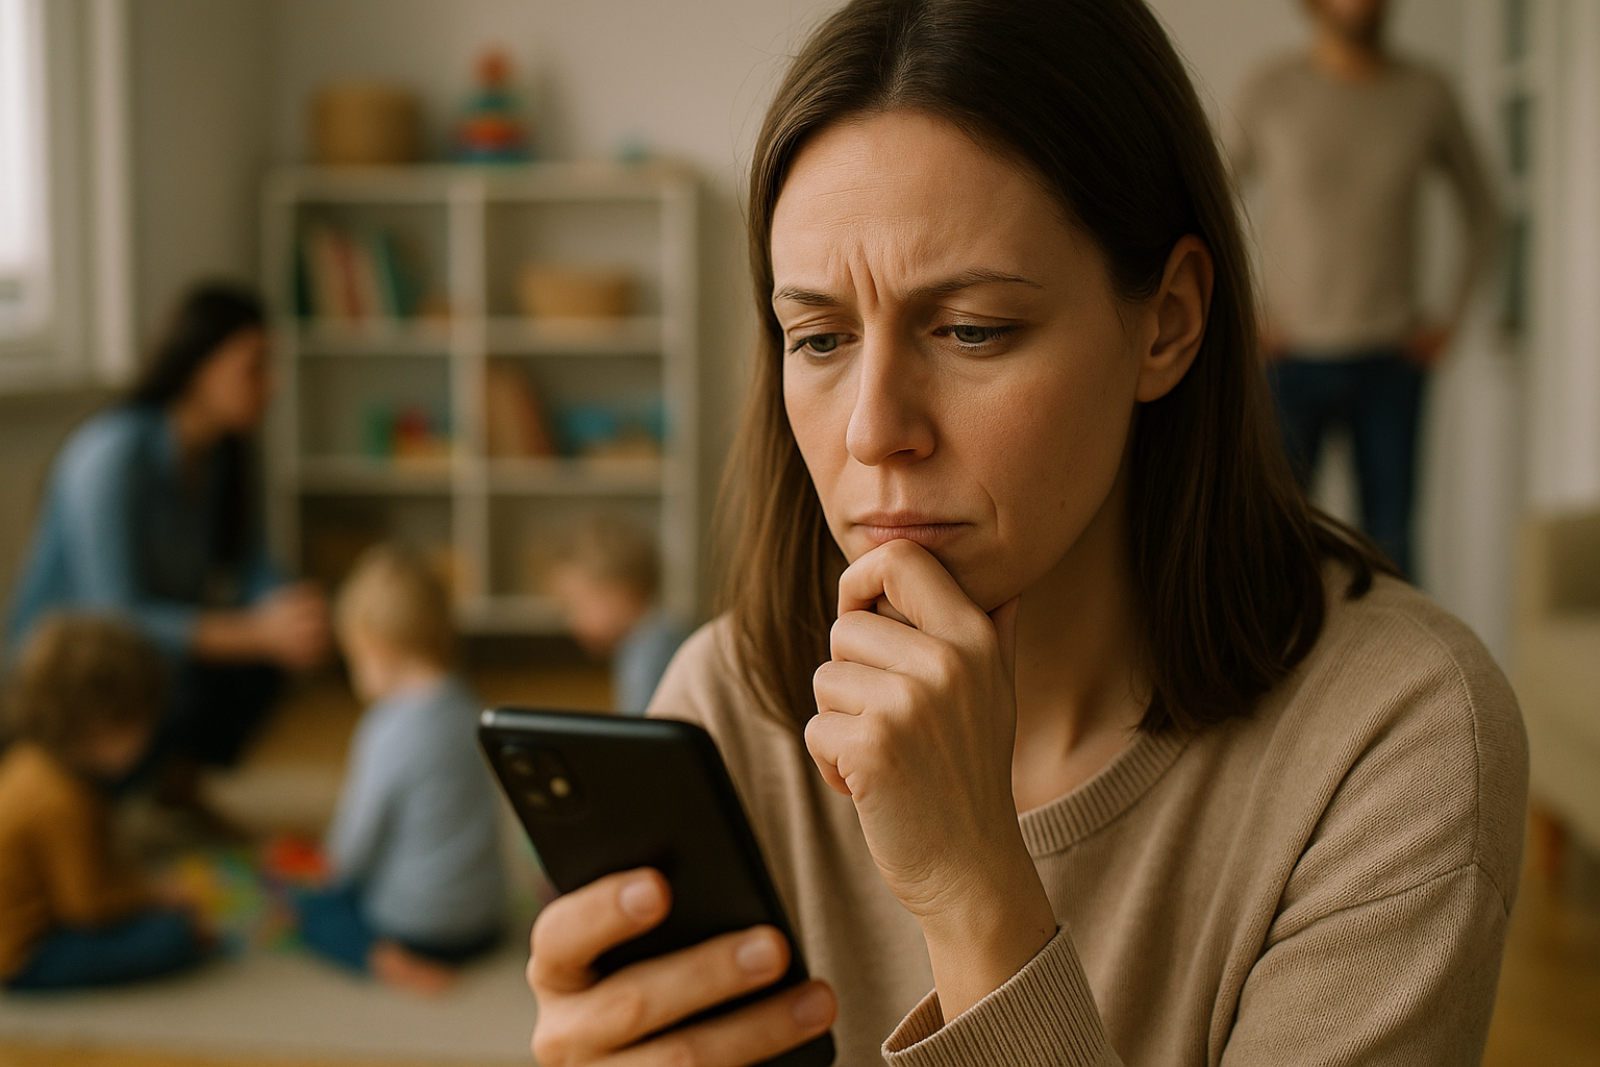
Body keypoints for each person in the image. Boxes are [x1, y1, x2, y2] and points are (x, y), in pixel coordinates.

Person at [518, 1, 1527, 1065]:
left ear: (1168, 320)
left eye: (970, 330)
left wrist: (972, 893)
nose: (873, 431)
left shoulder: (1398, 741)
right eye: (818, 337)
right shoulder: (730, 702)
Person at [5, 282, 329, 809]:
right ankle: (103, 795)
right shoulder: (113, 456)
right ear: (199, 366)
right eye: (255, 365)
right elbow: (116, 616)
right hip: (72, 671)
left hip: (151, 653)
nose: (273, 384)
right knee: (248, 651)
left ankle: (173, 785)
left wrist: (291, 608)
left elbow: (247, 563)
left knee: (265, 661)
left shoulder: (220, 456)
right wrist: (254, 632)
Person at [1228, 0, 1498, 579]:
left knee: (1392, 546)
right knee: (1269, 543)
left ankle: (1407, 672)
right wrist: (1244, 313)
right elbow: (1206, 206)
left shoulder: (1427, 94)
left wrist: (1449, 318)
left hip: (1392, 360)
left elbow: (1484, 212)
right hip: (1289, 361)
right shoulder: (1270, 89)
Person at [294, 544, 504, 996]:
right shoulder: (475, 709)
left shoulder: (386, 729)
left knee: (317, 912)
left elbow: (357, 840)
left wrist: (329, 872)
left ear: (379, 648)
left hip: (415, 929)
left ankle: (388, 962)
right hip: (483, 921)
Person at [0, 615, 206, 991]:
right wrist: (155, 895)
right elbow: (86, 906)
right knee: (173, 936)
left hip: (34, 919)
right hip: (20, 955)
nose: (151, 737)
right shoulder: (63, 801)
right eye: (143, 723)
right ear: (102, 728)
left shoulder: (30, 758)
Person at [547, 515, 689, 715]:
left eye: (577, 605)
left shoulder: (649, 651)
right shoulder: (647, 641)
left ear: (623, 594)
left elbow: (641, 735)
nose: (571, 621)